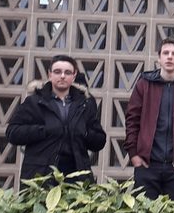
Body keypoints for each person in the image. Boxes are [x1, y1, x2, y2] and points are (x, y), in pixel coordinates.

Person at [124, 38, 174, 201]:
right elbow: (132, 121)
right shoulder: (144, 84)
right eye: (165, 53)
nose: (169, 57)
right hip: (147, 165)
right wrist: (134, 154)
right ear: (159, 58)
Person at [6, 55, 106, 184]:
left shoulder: (85, 104)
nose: (62, 76)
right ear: (50, 74)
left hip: (77, 177)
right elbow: (12, 133)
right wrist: (44, 130)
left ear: (74, 76)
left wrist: (85, 133)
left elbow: (100, 140)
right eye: (57, 72)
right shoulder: (35, 102)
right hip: (40, 176)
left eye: (67, 72)